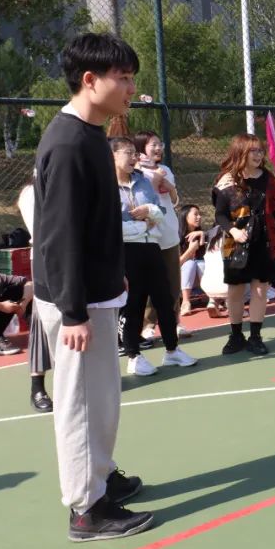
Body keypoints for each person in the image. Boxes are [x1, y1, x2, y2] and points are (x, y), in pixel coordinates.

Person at [32, 32, 153, 541]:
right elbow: (58, 236)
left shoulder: (90, 136)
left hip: (95, 291)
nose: (130, 88)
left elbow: (92, 224)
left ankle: (100, 477)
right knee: (81, 404)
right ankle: (86, 509)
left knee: (101, 399)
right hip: (76, 303)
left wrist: (111, 273)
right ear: (90, 80)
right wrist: (74, 311)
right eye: (122, 78)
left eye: (131, 78)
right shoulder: (67, 144)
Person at [110, 137, 198, 376]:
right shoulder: (105, 187)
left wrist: (149, 210)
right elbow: (112, 226)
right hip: (127, 252)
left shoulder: (142, 181)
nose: (134, 158)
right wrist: (143, 225)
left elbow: (159, 212)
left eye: (134, 153)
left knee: (165, 299)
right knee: (134, 304)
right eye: (128, 153)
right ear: (112, 157)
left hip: (152, 247)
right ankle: (134, 356)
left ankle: (172, 350)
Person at [213, 134, 275, 354]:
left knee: (260, 289)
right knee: (236, 290)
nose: (259, 155)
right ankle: (236, 335)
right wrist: (233, 230)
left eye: (260, 150)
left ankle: (255, 337)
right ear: (241, 152)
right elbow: (220, 215)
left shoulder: (268, 179)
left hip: (264, 241)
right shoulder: (227, 180)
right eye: (254, 151)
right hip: (236, 244)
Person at [135, 130, 191, 340]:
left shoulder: (166, 169)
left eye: (160, 144)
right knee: (150, 281)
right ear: (141, 148)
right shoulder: (136, 172)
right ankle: (148, 325)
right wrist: (156, 178)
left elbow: (174, 199)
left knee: (173, 282)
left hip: (169, 232)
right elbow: (145, 198)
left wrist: (169, 186)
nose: (158, 148)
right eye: (153, 145)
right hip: (149, 234)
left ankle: (175, 322)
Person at [18, 178, 52, 412]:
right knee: (42, 324)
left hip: (80, 264)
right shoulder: (31, 193)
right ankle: (37, 387)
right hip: (46, 263)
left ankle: (82, 380)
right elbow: (44, 232)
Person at [178, 204, 208, 315]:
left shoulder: (201, 235)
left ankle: (212, 298)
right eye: (195, 214)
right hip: (180, 281)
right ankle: (185, 302)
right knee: (189, 264)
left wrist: (203, 234)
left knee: (201, 264)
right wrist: (190, 250)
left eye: (199, 214)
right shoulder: (176, 237)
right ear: (185, 216)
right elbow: (174, 265)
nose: (199, 217)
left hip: (198, 283)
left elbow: (218, 231)